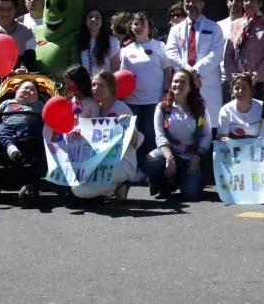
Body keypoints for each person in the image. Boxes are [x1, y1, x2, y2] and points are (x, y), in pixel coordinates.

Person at [69, 71, 140, 200]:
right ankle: (113, 188)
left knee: (78, 190)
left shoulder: (121, 108)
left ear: (111, 88)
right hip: (101, 161)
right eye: (93, 85)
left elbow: (136, 143)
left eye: (101, 85)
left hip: (122, 163)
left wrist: (128, 126)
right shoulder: (95, 108)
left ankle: (118, 185)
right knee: (75, 185)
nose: (95, 88)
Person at [165, 0, 225, 133]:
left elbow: (216, 53)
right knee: (186, 126)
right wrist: (190, 73)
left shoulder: (214, 27)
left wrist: (196, 72)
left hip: (206, 82)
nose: (191, 4)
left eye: (195, 1)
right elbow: (171, 53)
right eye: (187, 1)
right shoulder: (176, 30)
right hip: (185, 83)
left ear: (202, 4)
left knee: (209, 126)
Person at [146, 69, 212, 201]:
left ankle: (187, 179)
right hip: (171, 154)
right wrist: (169, 158)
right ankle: (166, 184)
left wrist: (197, 156)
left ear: (190, 87)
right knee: (153, 158)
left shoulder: (200, 108)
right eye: (175, 81)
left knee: (191, 194)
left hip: (192, 157)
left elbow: (207, 135)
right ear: (171, 85)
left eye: (183, 82)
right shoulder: (162, 108)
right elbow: (160, 135)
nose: (178, 85)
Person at [119, 12, 171, 179]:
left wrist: (166, 92)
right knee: (135, 138)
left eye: (142, 24)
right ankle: (138, 170)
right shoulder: (126, 50)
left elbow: (167, 71)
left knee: (151, 136)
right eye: (135, 24)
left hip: (154, 100)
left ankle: (152, 172)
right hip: (131, 101)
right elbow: (122, 76)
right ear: (131, 27)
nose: (138, 27)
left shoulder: (159, 46)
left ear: (149, 28)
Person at [223, 0, 264, 100]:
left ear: (260, 3)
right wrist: (235, 76)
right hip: (239, 82)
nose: (248, 3)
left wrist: (255, 76)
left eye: (252, 0)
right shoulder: (236, 24)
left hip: (260, 83)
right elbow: (228, 54)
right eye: (245, 0)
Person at [216, 73, 263, 140]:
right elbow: (223, 135)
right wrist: (226, 139)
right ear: (232, 92)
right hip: (235, 145)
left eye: (244, 87)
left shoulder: (262, 107)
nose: (240, 91)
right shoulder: (225, 110)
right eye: (237, 88)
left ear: (251, 89)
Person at [77, 7, 121, 73]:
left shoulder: (112, 41)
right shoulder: (79, 39)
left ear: (102, 22)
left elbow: (115, 69)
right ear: (85, 21)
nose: (93, 19)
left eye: (97, 17)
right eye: (90, 17)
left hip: (105, 79)